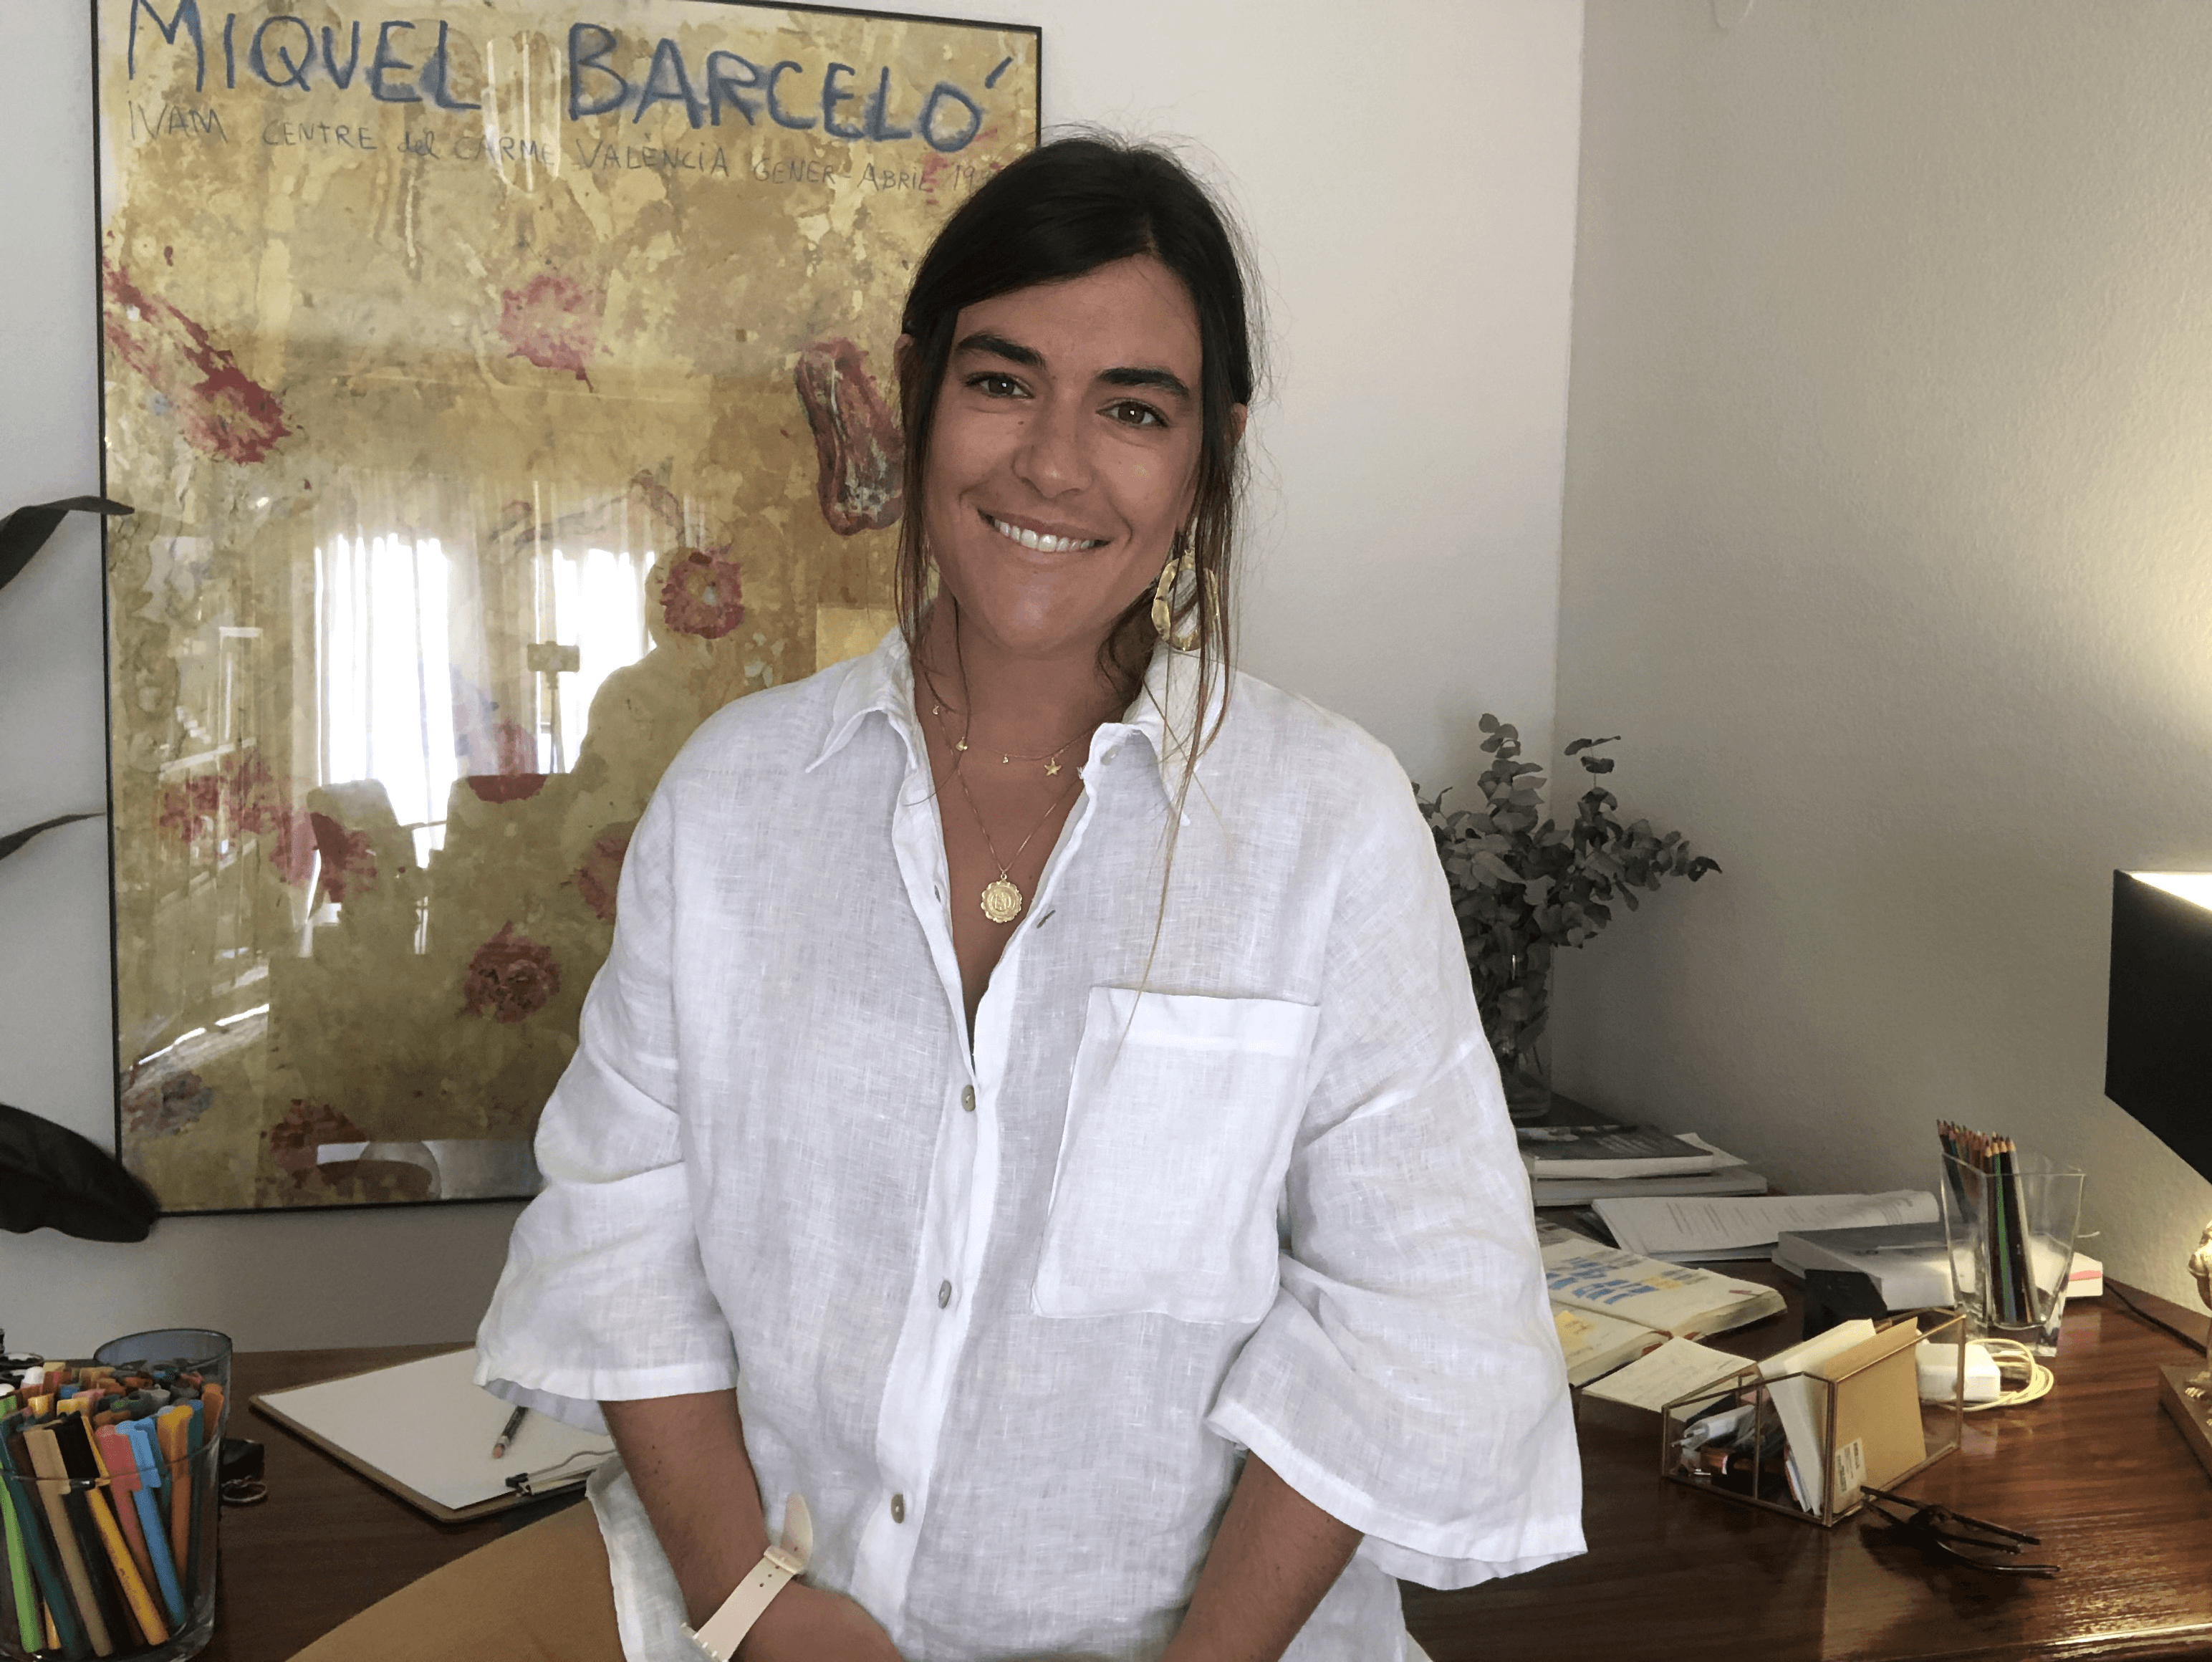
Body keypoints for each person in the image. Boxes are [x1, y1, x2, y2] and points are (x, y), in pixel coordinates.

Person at [295, 134, 1581, 1662]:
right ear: (915, 392)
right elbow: (623, 1235)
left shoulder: (1323, 823)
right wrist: (756, 1604)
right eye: (1000, 380)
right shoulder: (735, 799)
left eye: (1132, 408)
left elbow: (1411, 1312)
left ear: (1207, 449)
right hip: (744, 1603)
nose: (1051, 460)